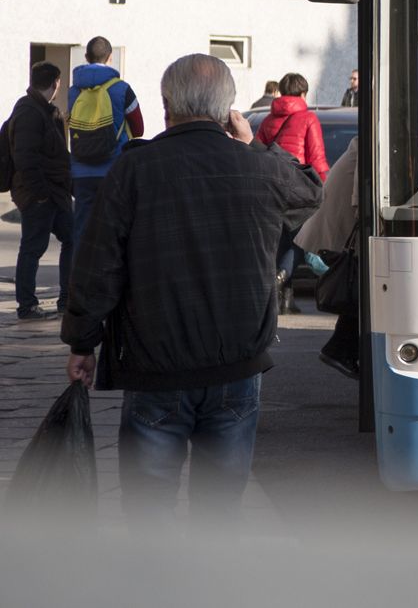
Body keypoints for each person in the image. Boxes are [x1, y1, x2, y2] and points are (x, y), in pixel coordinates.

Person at [61, 54, 324, 530]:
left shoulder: (134, 170)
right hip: (236, 369)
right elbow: (311, 192)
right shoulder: (259, 169)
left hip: (155, 370)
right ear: (229, 110)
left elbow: (97, 265)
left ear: (165, 105)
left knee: (148, 512)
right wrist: (257, 145)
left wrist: (83, 340)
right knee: (219, 514)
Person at [256, 72, 328, 313]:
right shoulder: (308, 118)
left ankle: (285, 302)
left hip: (270, 189)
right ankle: (278, 278)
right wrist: (323, 190)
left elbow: (257, 152)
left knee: (281, 243)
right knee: (299, 242)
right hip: (298, 189)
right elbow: (316, 158)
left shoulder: (267, 120)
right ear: (303, 94)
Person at [8, 61, 74, 320]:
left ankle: (67, 300)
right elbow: (25, 159)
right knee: (32, 248)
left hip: (53, 192)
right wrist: (41, 192)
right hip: (39, 193)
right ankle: (27, 305)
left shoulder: (43, 110)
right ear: (55, 83)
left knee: (72, 237)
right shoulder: (29, 112)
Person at [67, 36, 145, 248]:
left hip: (81, 171)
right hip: (114, 169)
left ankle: (78, 278)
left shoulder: (74, 91)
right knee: (113, 230)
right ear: (111, 58)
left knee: (82, 231)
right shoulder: (122, 89)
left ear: (86, 57)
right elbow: (139, 128)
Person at [296, 136, 359, 379]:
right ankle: (339, 349)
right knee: (358, 282)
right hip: (350, 212)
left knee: (360, 282)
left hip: (345, 208)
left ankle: (341, 349)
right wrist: (358, 202)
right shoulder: (378, 132)